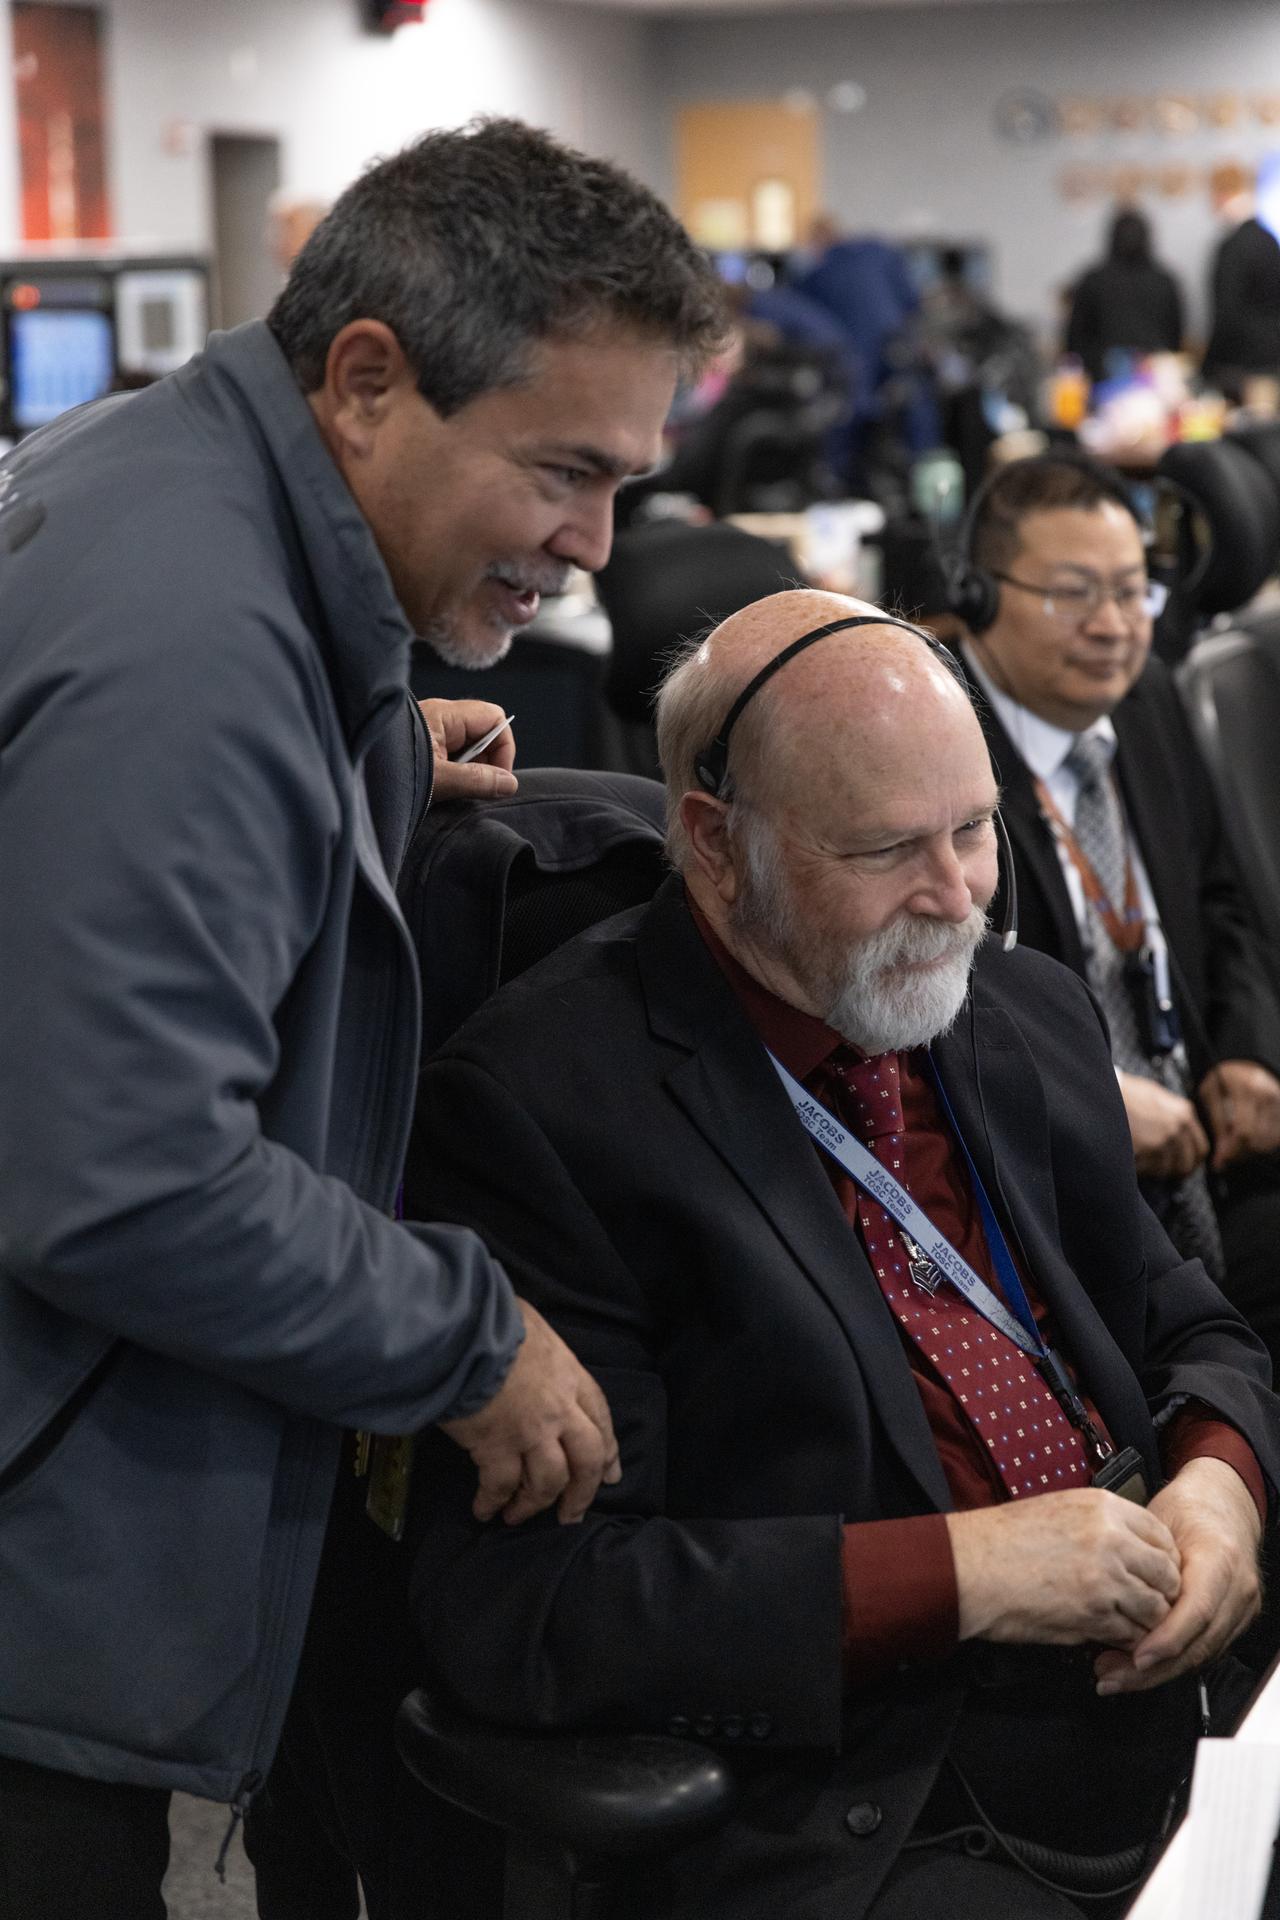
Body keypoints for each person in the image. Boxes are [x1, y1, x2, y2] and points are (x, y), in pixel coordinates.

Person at [0, 116, 726, 1920]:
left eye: (627, 480)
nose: (593, 542)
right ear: (372, 381)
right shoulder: (197, 659)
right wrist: (466, 1339)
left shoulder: (175, 488)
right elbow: (123, 1177)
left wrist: (364, 760)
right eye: (564, 469)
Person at [403, 587, 1278, 1920]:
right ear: (713, 841)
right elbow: (540, 1609)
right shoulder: (544, 1106)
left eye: (976, 832)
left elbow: (1191, 1326)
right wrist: (968, 1572)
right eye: (885, 849)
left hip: (1158, 1712)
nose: (956, 898)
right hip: (885, 1800)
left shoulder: (1015, 1010)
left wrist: (1221, 1483)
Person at [952, 452, 1280, 1363]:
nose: (1112, 627)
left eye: (1133, 592)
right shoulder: (939, 747)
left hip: (1210, 1151)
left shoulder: (1152, 702)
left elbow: (1221, 897)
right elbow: (933, 997)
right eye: (1073, 594)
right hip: (1051, 1183)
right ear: (980, 596)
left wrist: (1250, 1048)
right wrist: (1087, 1099)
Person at [1064, 207, 1184, 384]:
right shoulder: (1164, 280)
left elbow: (1075, 337)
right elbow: (1176, 334)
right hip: (1154, 378)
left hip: (1102, 377)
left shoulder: (1093, 279)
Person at [1202, 161, 1280, 401]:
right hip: (1271, 360)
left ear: (1220, 194)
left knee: (1254, 432)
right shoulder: (1268, 241)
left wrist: (1206, 365)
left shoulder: (1233, 247)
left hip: (1243, 368)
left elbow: (1227, 312)